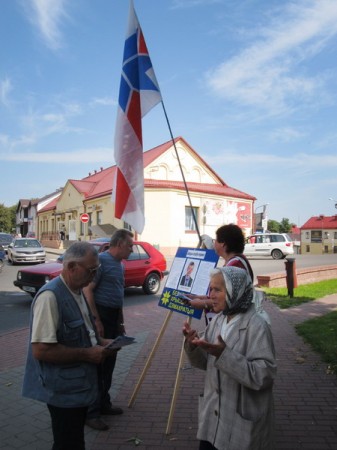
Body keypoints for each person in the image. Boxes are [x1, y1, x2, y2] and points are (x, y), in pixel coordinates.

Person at [22, 241, 118, 450]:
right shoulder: (50, 297)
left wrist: (102, 343)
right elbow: (41, 350)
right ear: (72, 267)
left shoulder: (77, 289)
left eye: (97, 269)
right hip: (63, 391)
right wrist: (88, 354)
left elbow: (82, 332)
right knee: (69, 443)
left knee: (74, 441)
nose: (95, 275)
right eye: (92, 270)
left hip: (79, 386)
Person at [183, 266, 276, 450]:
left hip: (239, 425)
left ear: (236, 291)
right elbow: (206, 363)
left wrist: (224, 355)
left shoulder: (257, 326)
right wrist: (193, 345)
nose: (211, 295)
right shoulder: (218, 320)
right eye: (210, 289)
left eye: (218, 290)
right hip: (213, 422)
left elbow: (264, 376)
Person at [83, 228, 134, 430]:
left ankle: (104, 404)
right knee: (99, 364)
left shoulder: (120, 265)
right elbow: (88, 290)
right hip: (100, 316)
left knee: (110, 362)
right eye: (130, 246)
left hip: (112, 317)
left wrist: (120, 321)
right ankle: (91, 413)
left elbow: (118, 294)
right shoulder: (101, 261)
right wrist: (96, 320)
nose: (132, 249)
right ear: (120, 244)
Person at [188, 224, 254, 314]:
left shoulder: (235, 265)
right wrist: (197, 297)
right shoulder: (233, 261)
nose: (213, 243)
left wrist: (203, 303)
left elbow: (228, 299)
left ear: (223, 244)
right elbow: (221, 293)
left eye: (216, 240)